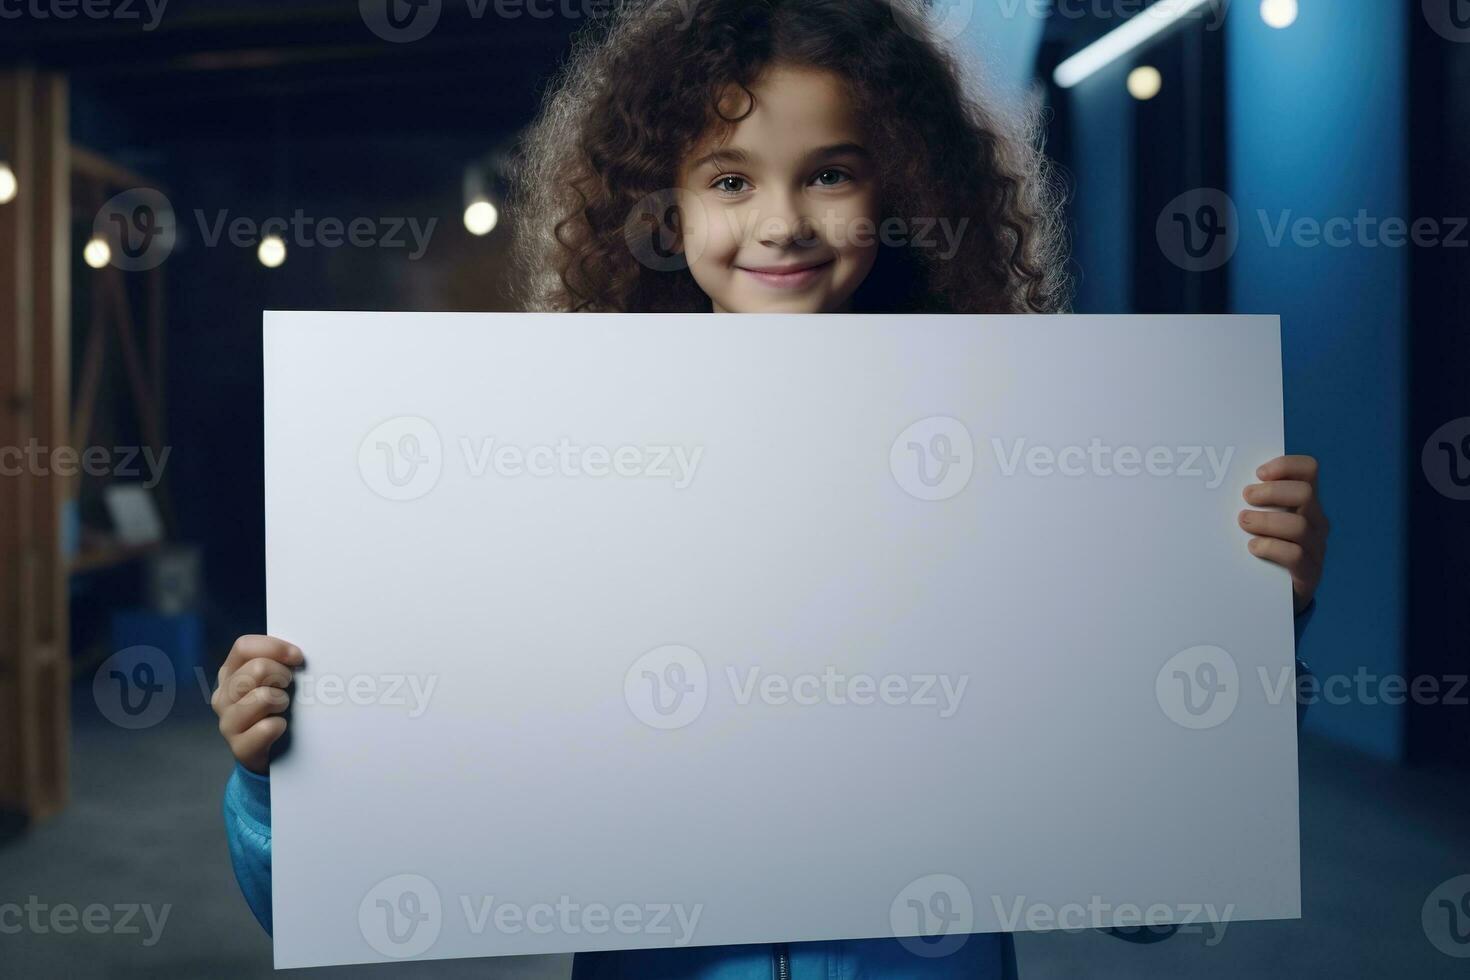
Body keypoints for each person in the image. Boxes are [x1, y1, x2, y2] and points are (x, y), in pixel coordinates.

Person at [219, 2, 1330, 977]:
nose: (782, 222)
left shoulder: (1021, 472)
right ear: (664, 208)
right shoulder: (556, 474)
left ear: (902, 191)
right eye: (731, 178)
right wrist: (282, 772)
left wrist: (1241, 629)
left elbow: (1153, 901)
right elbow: (340, 884)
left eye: (832, 172)